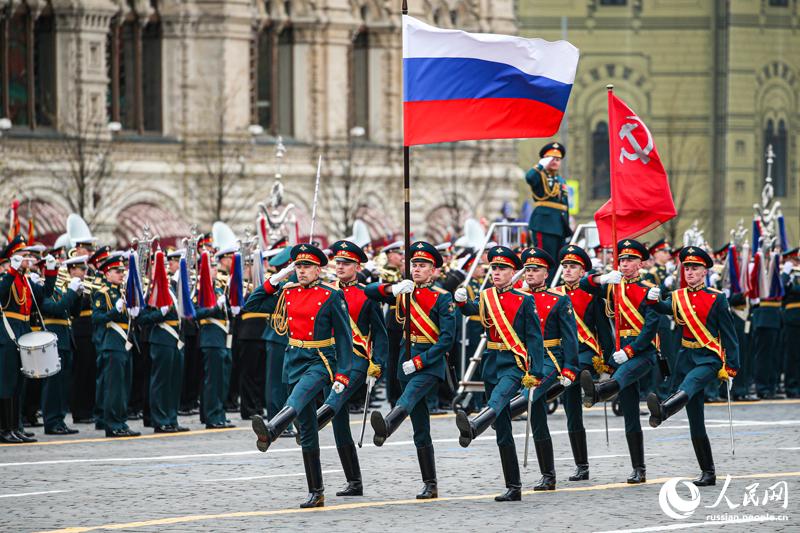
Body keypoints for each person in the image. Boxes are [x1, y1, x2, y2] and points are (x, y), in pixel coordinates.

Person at [250, 243, 353, 508]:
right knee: (307, 429)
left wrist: (343, 374)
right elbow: (252, 303)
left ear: (318, 269)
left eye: (307, 266)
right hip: (294, 359)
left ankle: (272, 429)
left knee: (298, 397)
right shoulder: (288, 292)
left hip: (320, 361)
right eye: (298, 266)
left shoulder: (331, 295)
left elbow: (344, 338)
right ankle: (316, 492)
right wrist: (276, 278)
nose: (302, 270)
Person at [453, 246, 544, 501]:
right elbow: (472, 310)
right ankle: (513, 486)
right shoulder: (487, 296)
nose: (496, 272)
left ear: (513, 272)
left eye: (502, 268)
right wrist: (461, 301)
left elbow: (534, 338)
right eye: (493, 267)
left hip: (514, 362)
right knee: (502, 427)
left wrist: (535, 371)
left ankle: (474, 425)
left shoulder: (524, 300)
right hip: (492, 361)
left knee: (499, 399)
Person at [366, 241, 456, 500]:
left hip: (430, 364)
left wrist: (420, 361)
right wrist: (392, 288)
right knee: (420, 427)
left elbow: (446, 340)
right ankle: (430, 483)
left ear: (434, 270)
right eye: (414, 264)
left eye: (423, 265)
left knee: (409, 397)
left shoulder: (443, 297)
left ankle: (388, 424)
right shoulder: (404, 292)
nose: (417, 269)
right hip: (406, 360)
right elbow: (369, 291)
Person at [646, 246, 739, 486]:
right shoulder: (678, 296)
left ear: (705, 271)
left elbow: (729, 335)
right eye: (686, 267)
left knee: (691, 383)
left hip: (709, 357)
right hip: (686, 355)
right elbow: (663, 308)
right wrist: (653, 298)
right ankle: (708, 472)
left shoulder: (716, 297)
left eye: (694, 268)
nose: (689, 272)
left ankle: (664, 410)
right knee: (695, 419)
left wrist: (731, 367)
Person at [579, 239, 661, 484]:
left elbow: (650, 328)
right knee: (630, 414)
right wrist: (602, 279)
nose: (625, 264)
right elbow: (584, 284)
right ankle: (639, 468)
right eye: (622, 260)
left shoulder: (649, 289)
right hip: (617, 354)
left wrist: (630, 350)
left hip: (641, 352)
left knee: (622, 377)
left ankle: (598, 392)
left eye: (630, 260)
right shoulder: (612, 285)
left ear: (640, 263)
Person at [312, 239, 387, 497]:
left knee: (335, 398)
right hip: (330, 359)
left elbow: (380, 334)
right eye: (338, 262)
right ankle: (354, 482)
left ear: (357, 266)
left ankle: (313, 420)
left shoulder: (367, 294)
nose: (340, 266)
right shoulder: (324, 291)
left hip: (356, 360)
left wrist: (377, 364)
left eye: (346, 263)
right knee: (340, 423)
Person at [506, 247, 579, 491]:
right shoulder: (517, 296)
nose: (529, 273)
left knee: (531, 394)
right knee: (537, 419)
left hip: (550, 358)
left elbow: (570, 338)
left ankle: (497, 416)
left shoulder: (559, 299)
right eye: (527, 269)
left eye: (535, 270)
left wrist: (570, 368)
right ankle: (549, 476)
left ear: (546, 274)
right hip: (525, 357)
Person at [556, 244, 613, 481]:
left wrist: (609, 362)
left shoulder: (592, 295)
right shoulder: (554, 294)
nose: (568, 270)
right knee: (572, 414)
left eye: (573, 267)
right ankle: (582, 465)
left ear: (583, 271)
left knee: (580, 373)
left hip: (586, 354)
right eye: (565, 266)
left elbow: (603, 331)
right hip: (562, 357)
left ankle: (592, 387)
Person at [0, 236, 57, 443]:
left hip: (22, 331)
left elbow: (44, 296)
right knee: (6, 383)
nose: (29, 259)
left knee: (17, 384)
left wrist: (51, 273)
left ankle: (15, 427)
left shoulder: (25, 280)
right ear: (13, 258)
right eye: (24, 256)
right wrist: (12, 271)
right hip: (7, 333)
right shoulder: (6, 277)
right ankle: (4, 429)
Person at [92, 254, 141, 438]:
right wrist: (114, 310)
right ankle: (113, 424)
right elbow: (96, 318)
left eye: (122, 271)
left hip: (124, 343)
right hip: (112, 343)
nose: (121, 274)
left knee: (123, 385)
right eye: (116, 271)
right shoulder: (102, 293)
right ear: (107, 273)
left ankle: (120, 421)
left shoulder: (123, 292)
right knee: (114, 387)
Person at [40, 255, 85, 434]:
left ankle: (59, 420)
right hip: (53, 339)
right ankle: (51, 422)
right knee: (53, 384)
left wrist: (79, 295)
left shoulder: (59, 290)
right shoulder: (44, 290)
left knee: (63, 384)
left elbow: (74, 313)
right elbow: (56, 309)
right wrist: (72, 292)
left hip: (65, 339)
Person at [524, 142, 572, 282]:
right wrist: (540, 165)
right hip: (544, 224)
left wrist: (567, 228)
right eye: (551, 159)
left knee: (558, 262)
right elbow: (529, 178)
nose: (555, 162)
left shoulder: (560, 180)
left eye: (557, 159)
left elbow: (564, 206)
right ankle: (543, 287)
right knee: (544, 259)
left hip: (559, 225)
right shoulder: (539, 175)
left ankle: (553, 287)